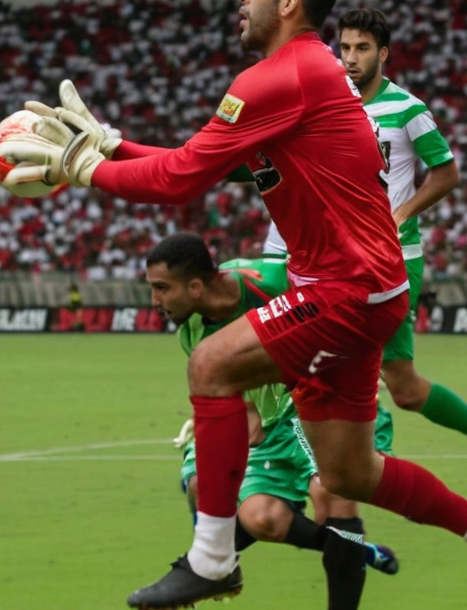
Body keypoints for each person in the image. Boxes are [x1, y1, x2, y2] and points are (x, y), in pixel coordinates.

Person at [0, 0, 467, 610]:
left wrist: (86, 169)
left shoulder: (280, 77)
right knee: (349, 471)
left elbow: (176, 181)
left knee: (211, 366)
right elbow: (196, 161)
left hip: (348, 287)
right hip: (364, 286)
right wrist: (110, 145)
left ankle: (213, 559)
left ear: (289, 2)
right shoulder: (304, 76)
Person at [146, 233, 397, 610]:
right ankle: (226, 565)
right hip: (276, 415)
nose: (154, 301)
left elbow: (343, 298)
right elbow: (241, 398)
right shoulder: (193, 331)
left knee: (330, 493)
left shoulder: (274, 281)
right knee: (253, 514)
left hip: (329, 392)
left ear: (196, 287)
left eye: (161, 288)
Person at [340, 7, 467, 500]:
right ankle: (359, 462)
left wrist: (401, 213)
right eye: (345, 48)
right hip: (340, 257)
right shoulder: (331, 104)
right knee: (336, 360)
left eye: (362, 48)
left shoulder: (407, 108)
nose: (352, 58)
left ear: (382, 53)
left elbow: (446, 172)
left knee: (401, 386)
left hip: (394, 257)